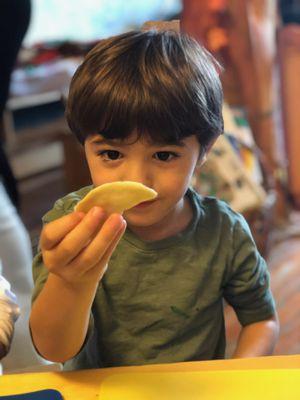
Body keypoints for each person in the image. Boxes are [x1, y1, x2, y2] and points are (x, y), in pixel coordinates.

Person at [30, 30, 279, 371]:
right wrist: (72, 281)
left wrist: (231, 379)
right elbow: (54, 350)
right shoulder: (71, 227)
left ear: (204, 150)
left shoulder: (225, 233)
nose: (136, 179)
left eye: (163, 155)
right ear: (84, 145)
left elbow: (262, 319)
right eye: (112, 153)